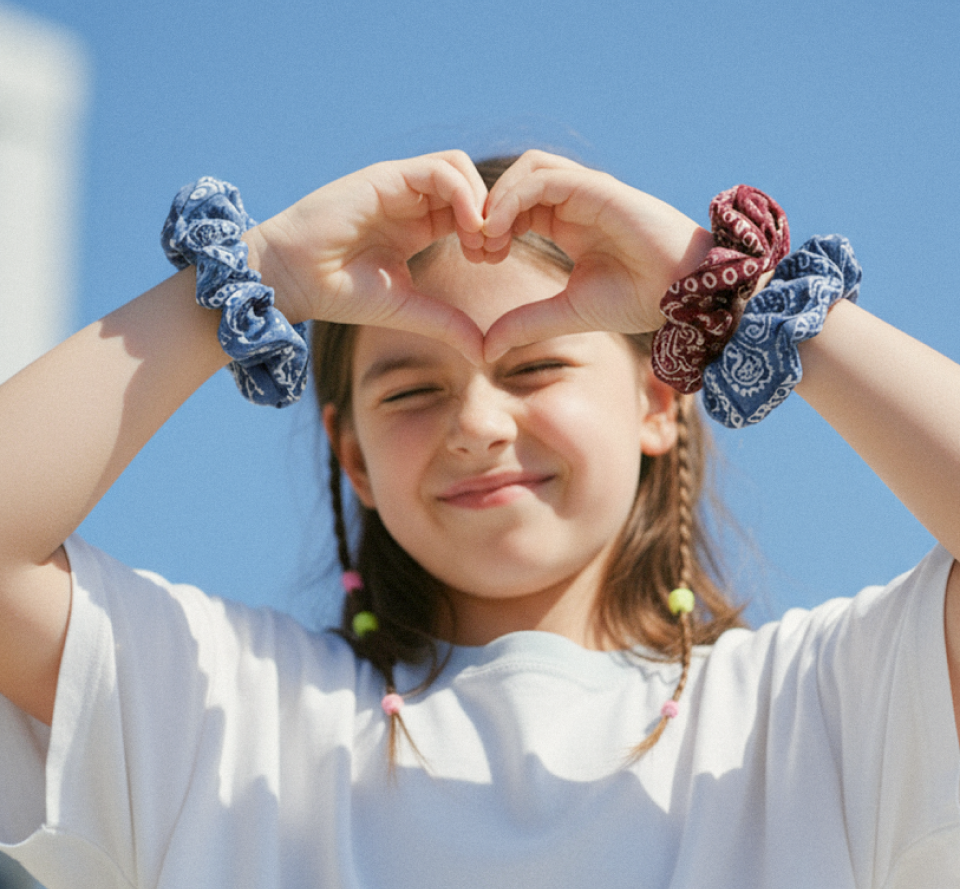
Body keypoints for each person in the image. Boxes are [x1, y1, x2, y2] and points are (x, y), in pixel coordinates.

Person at [0, 150, 957, 889]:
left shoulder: (820, 711)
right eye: (413, 389)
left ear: (659, 404)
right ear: (352, 456)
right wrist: (265, 272)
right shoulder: (225, 710)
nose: (476, 426)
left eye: (536, 368)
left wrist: (726, 290)